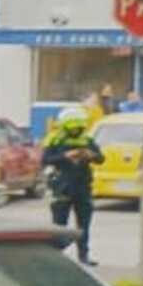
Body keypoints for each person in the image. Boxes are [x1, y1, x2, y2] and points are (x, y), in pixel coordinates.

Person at [42, 106, 103, 264]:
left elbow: (101, 158)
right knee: (59, 224)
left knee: (84, 224)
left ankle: (84, 255)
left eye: (79, 127)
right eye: (73, 127)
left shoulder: (87, 140)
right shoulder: (55, 139)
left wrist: (91, 155)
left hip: (83, 186)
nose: (76, 130)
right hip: (62, 186)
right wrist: (66, 156)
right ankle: (56, 256)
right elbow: (46, 159)